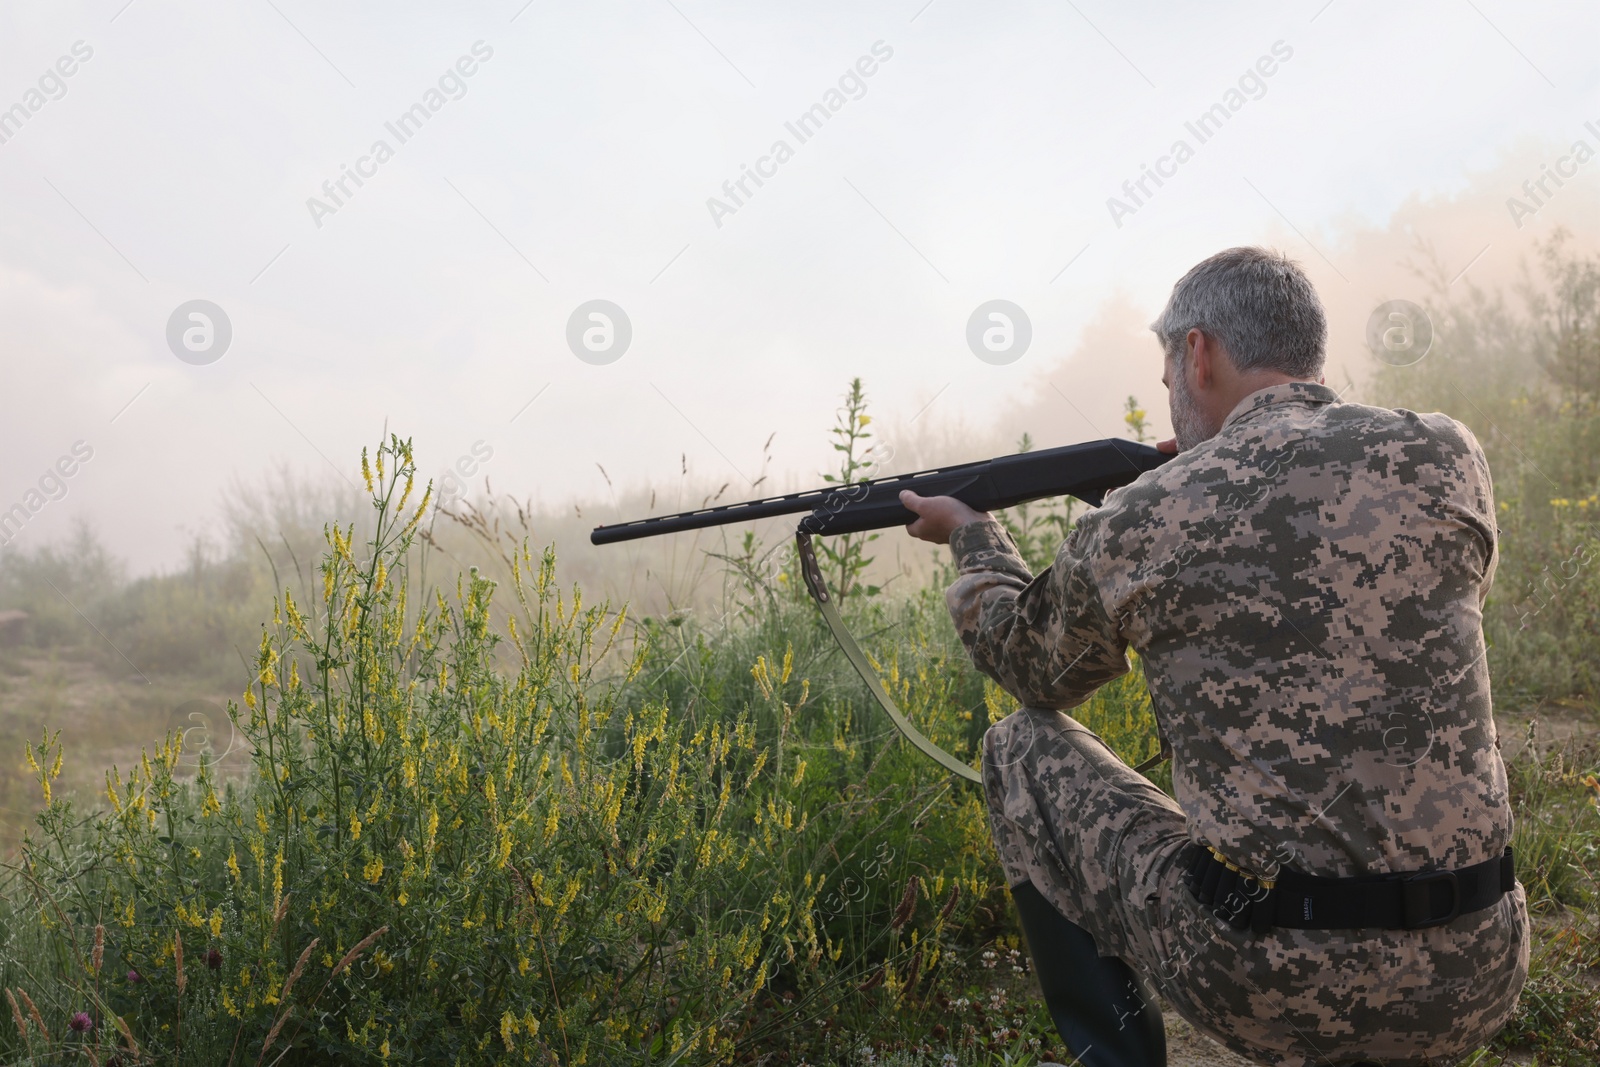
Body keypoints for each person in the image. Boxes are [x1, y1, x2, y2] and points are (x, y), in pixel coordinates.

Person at [899, 247, 1528, 1066]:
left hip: (1275, 984)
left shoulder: (1145, 513)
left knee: (1020, 748)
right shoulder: (1448, 455)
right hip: (1476, 970)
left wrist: (974, 538)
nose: (1169, 398)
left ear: (1197, 354)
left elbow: (1032, 670)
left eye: (1167, 378)